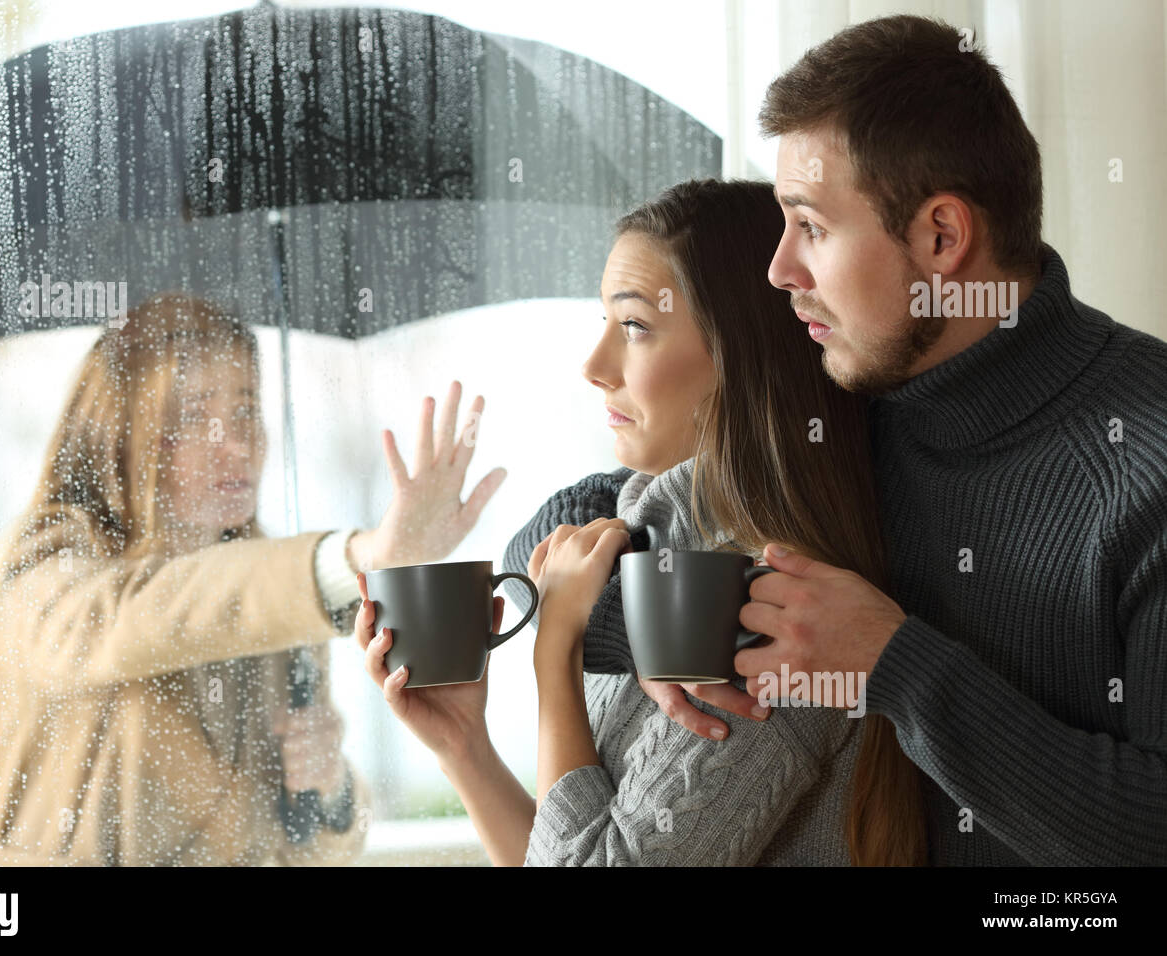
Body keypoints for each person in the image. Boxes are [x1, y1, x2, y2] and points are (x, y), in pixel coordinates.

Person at [656, 15, 1167, 865]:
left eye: (810, 227)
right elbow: (589, 515)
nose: (780, 270)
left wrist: (895, 664)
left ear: (941, 238)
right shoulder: (838, 400)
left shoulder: (1148, 455)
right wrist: (646, 631)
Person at [355, 179, 928, 865]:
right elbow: (568, 850)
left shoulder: (777, 615)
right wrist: (462, 747)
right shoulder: (639, 563)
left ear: (740, 355)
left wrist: (557, 648)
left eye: (633, 327)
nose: (595, 367)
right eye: (604, 323)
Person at [0, 293, 506, 865]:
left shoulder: (280, 596)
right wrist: (360, 555)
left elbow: (310, 852)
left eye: (244, 411)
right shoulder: (47, 568)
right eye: (193, 418)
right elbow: (146, 617)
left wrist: (329, 788)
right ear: (121, 436)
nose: (236, 445)